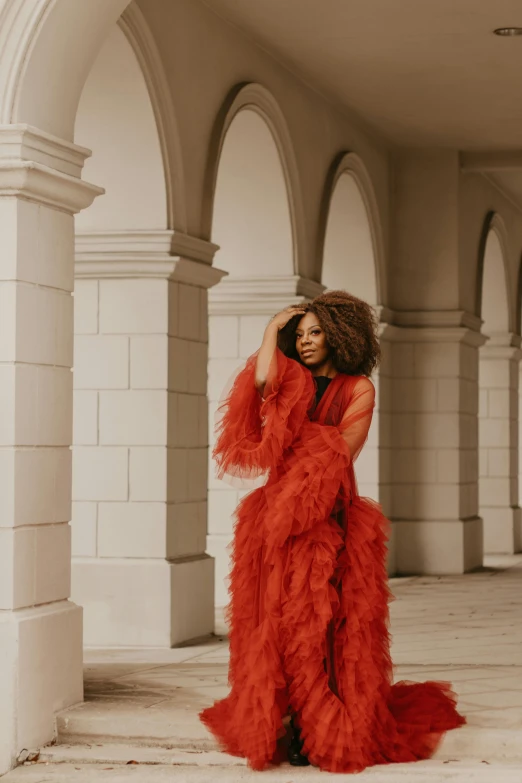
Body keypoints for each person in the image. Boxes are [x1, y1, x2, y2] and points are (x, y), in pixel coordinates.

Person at [200, 290, 465, 773]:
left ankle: (314, 728)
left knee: (323, 627)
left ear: (339, 335)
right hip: (275, 521)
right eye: (297, 335)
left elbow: (343, 448)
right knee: (276, 623)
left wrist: (296, 447)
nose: (305, 342)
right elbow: (260, 382)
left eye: (315, 332)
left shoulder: (358, 387)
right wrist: (270, 329)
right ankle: (285, 721)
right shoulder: (288, 381)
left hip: (329, 518)